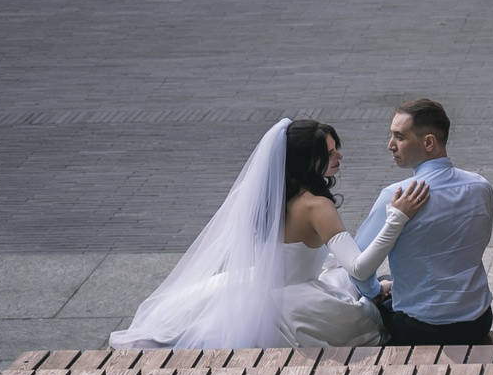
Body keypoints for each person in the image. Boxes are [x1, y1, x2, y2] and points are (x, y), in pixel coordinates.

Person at [111, 119, 432, 350]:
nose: (340, 157)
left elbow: (293, 252)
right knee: (370, 324)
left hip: (254, 285)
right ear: (309, 160)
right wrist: (397, 219)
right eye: (332, 152)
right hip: (297, 300)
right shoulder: (317, 206)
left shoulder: (270, 197)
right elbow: (359, 268)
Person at [347, 100, 493, 347]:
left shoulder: (395, 196)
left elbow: (357, 269)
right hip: (478, 320)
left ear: (428, 142)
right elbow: (478, 244)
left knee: (364, 292)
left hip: (421, 329)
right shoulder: (481, 186)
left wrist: (375, 293)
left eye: (399, 137)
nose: (390, 146)